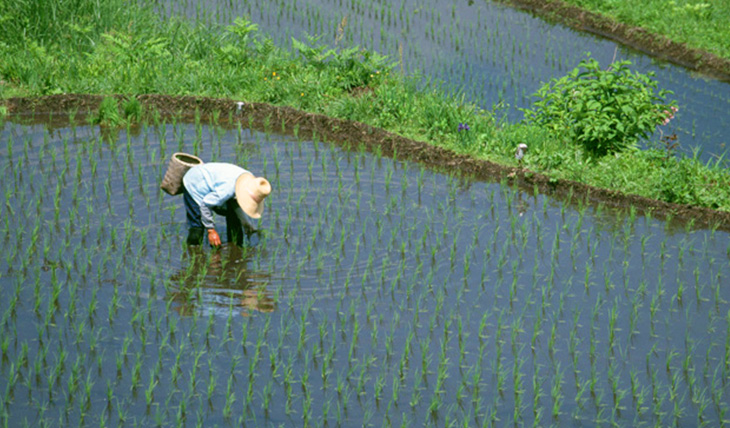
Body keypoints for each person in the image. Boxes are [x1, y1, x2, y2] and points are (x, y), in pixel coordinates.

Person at [182, 162, 271, 247]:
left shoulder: (251, 183)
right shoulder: (226, 190)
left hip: (215, 183)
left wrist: (246, 223)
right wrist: (211, 230)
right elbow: (205, 205)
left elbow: (236, 203)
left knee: (234, 216)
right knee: (197, 229)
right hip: (194, 183)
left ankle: (235, 248)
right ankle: (193, 251)